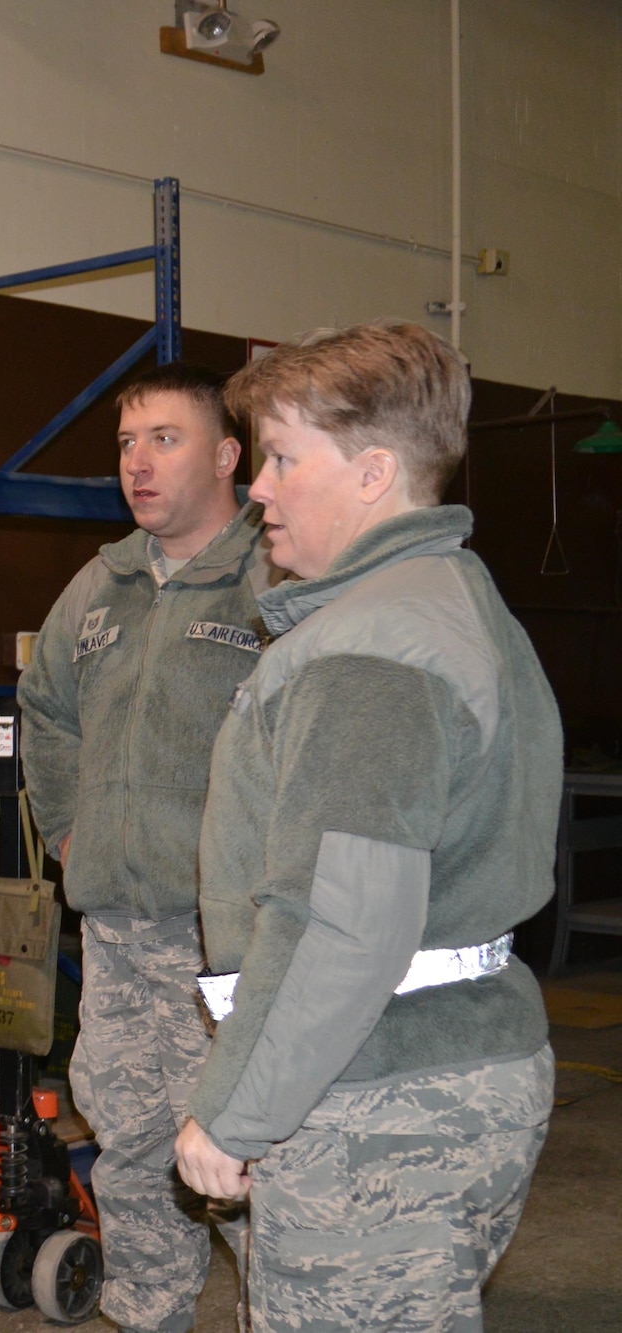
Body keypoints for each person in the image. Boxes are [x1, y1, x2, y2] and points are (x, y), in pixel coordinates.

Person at [175, 321, 560, 1331]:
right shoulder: (449, 600)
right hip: (442, 1065)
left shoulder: (368, 654)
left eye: (282, 457)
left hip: (378, 1094)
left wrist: (233, 1112)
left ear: (372, 473)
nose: (256, 486)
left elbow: (339, 922)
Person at [18, 362, 270, 1333]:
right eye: (125, 444)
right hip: (119, 937)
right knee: (127, 1145)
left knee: (245, 1152)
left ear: (224, 454)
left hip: (230, 947)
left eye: (163, 439)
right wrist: (71, 825)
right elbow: (44, 708)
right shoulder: (103, 582)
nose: (138, 463)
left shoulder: (269, 576)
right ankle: (145, 1312)